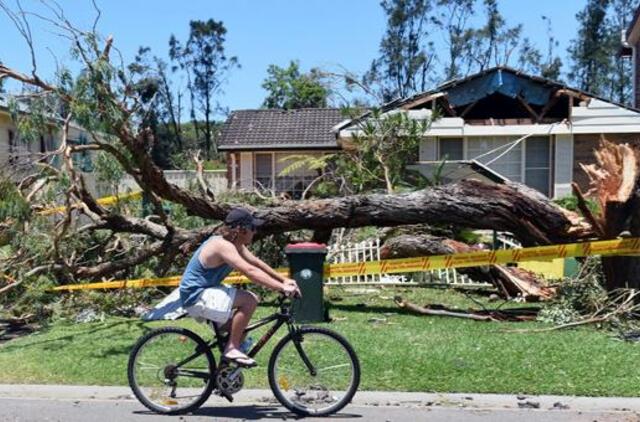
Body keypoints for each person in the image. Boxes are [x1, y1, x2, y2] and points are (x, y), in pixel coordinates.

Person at [179, 207, 301, 367]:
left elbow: (256, 263)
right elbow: (250, 271)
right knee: (249, 300)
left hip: (204, 294)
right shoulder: (222, 246)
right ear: (241, 230)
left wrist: (283, 280)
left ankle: (223, 372)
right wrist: (281, 288)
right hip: (196, 295)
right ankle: (231, 348)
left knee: (241, 328)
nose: (255, 231)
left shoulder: (235, 245)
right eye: (252, 228)